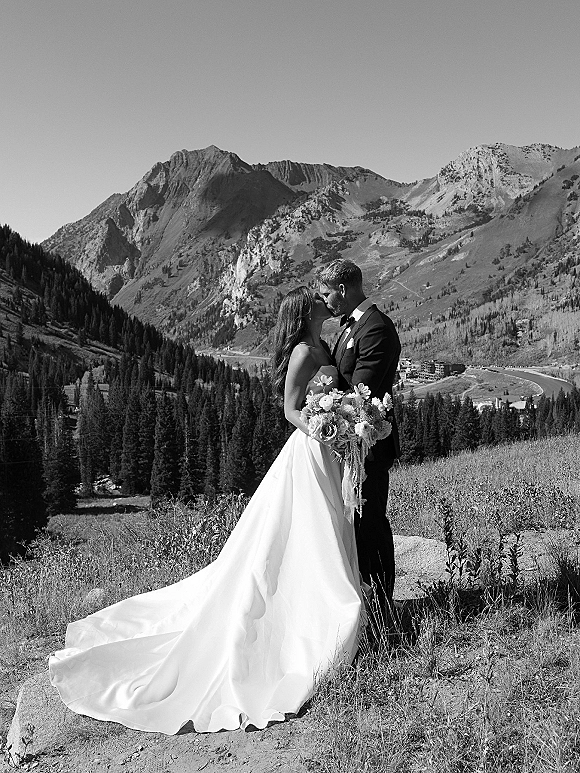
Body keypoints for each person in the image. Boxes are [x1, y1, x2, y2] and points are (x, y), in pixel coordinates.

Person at [49, 287, 363, 735]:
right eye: (315, 300)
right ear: (303, 312)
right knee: (305, 531)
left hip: (328, 451)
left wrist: (343, 416)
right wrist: (321, 422)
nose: (322, 302)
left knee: (323, 527)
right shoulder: (300, 352)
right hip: (311, 449)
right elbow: (290, 409)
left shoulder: (322, 345)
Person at [317, 259, 401, 615]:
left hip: (368, 446)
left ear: (344, 289)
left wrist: (323, 402)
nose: (325, 302)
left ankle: (382, 606)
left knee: (370, 525)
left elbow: (360, 390)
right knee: (357, 523)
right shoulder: (352, 326)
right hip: (352, 446)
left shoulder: (375, 328)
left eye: (327, 294)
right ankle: (363, 600)